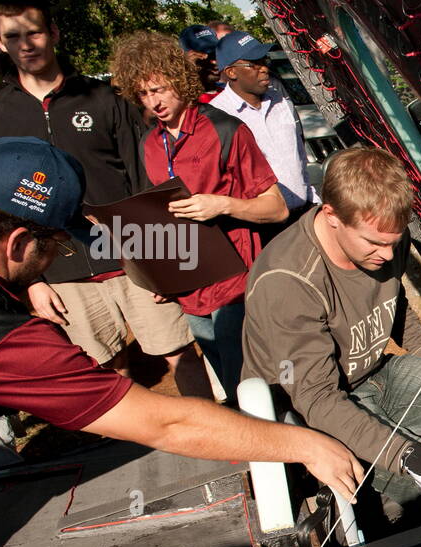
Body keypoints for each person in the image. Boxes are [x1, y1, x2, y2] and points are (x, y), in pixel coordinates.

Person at [0, 137, 362, 500]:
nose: (56, 259)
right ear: (18, 245)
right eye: (60, 249)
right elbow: (165, 422)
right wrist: (307, 444)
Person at [240, 148, 421, 517]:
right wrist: (406, 454)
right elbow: (316, 400)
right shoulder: (288, 281)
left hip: (378, 374)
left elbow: (395, 307)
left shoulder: (386, 239)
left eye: (393, 242)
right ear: (331, 215)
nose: (386, 254)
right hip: (312, 410)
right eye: (374, 243)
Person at [0, 0, 212, 398]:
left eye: (33, 32)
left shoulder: (103, 97)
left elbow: (144, 180)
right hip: (57, 270)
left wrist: (163, 260)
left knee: (180, 353)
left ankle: (222, 446)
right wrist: (30, 282)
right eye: (13, 36)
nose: (26, 45)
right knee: (103, 372)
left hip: (130, 256)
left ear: (53, 32)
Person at [109, 31, 287, 402]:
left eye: (158, 89)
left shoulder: (225, 129)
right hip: (190, 292)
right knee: (237, 394)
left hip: (235, 286)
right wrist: (160, 276)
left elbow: (276, 208)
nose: (153, 101)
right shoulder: (150, 145)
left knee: (257, 394)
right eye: (143, 94)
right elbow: (161, 220)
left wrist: (222, 204)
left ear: (178, 79)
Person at [209, 31, 318, 229]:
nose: (264, 69)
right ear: (231, 72)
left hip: (306, 214)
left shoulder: (281, 100)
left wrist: (313, 200)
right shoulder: (217, 116)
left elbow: (299, 157)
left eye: (263, 60)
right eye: (253, 63)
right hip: (263, 227)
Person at [179, 24, 223, 101]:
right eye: (205, 57)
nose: (214, 62)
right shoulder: (181, 101)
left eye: (216, 55)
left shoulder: (232, 92)